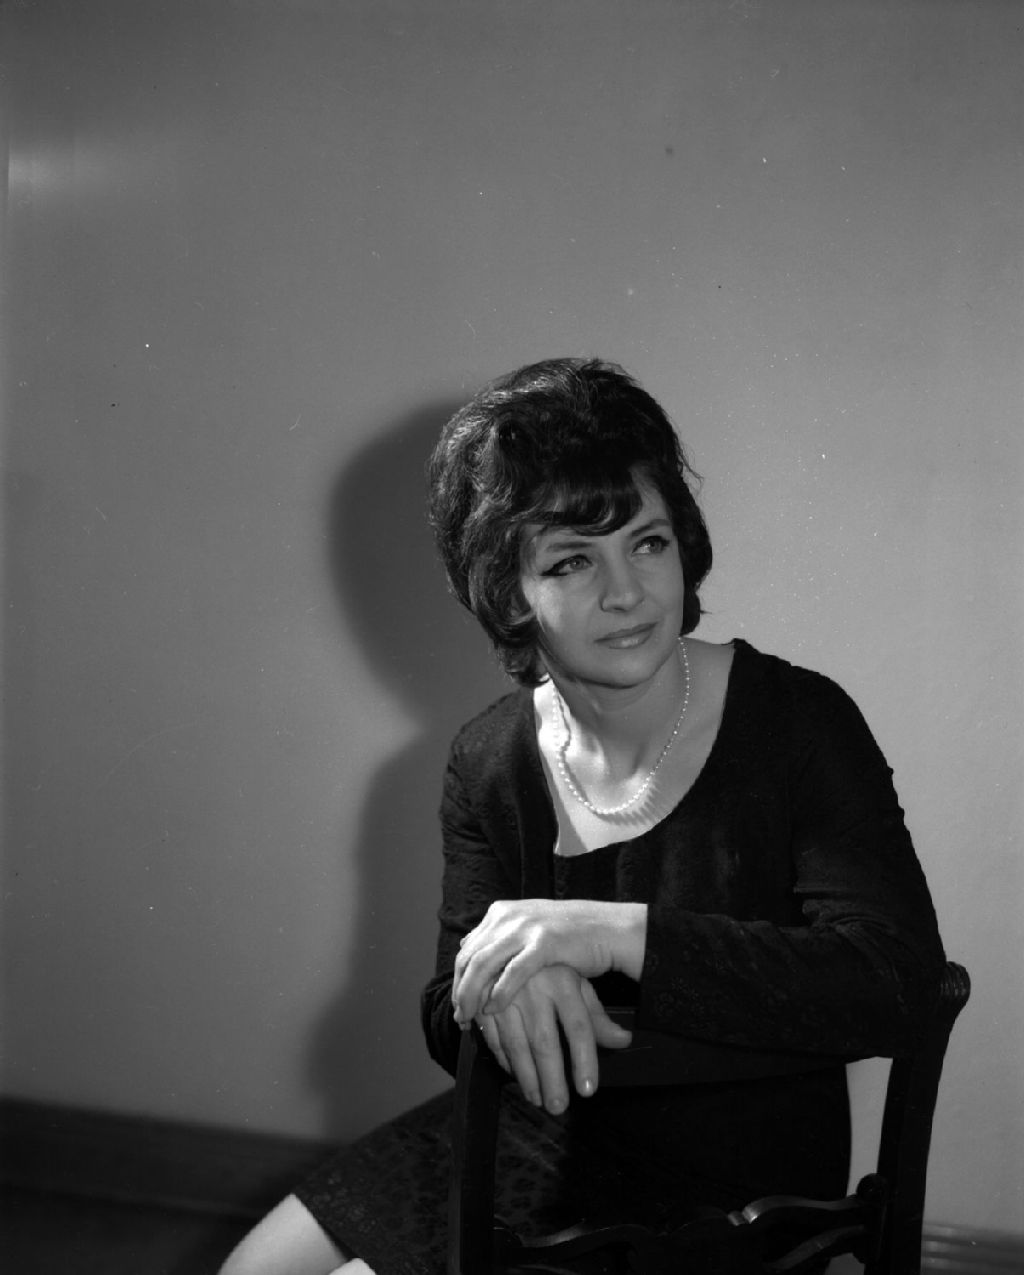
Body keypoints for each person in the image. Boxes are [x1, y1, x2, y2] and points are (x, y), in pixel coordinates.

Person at [220, 358, 945, 1275]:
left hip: (733, 1176)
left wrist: (604, 934)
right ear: (508, 590)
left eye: (647, 542)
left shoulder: (799, 722)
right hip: (543, 1126)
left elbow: (899, 983)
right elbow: (449, 1010)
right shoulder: (488, 758)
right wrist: (506, 982)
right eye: (571, 560)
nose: (627, 592)